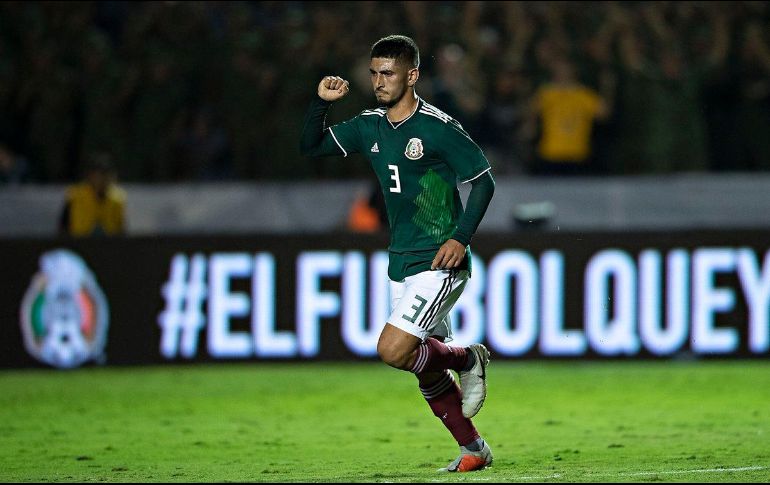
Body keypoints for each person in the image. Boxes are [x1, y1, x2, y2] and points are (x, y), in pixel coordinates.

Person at [300, 35, 495, 473]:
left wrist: (461, 238)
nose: (378, 81)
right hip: (400, 261)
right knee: (421, 365)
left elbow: (484, 181)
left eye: (388, 73)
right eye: (374, 73)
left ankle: (467, 358)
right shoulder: (369, 125)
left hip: (440, 259)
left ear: (412, 75)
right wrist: (320, 104)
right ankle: (473, 448)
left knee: (392, 350)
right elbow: (311, 146)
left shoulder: (438, 127)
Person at [59, 152, 126, 237]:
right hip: (79, 241)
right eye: (101, 174)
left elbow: (121, 229)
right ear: (90, 175)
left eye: (108, 175)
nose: (104, 179)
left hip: (109, 242)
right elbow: (64, 226)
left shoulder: (118, 198)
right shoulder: (75, 195)